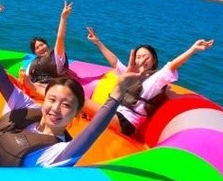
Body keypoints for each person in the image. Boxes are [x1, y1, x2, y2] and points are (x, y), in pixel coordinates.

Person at [0, 6, 141, 168]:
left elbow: (95, 129)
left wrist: (119, 90)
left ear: (76, 114)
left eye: (66, 105)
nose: (55, 108)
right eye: (52, 100)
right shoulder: (28, 107)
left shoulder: (60, 152)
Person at [84, 26, 214, 136]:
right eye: (138, 57)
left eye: (146, 57)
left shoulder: (156, 79)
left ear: (153, 61)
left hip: (126, 122)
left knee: (82, 100)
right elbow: (114, 62)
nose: (142, 60)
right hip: (114, 114)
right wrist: (97, 42)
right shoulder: (130, 74)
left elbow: (172, 65)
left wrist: (193, 49)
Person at [19, 0, 73, 97]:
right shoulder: (33, 63)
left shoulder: (56, 56)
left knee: (36, 86)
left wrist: (63, 18)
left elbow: (60, 38)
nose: (41, 48)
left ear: (47, 45)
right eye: (37, 48)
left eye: (42, 45)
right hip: (35, 90)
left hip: (54, 90)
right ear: (35, 52)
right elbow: (27, 77)